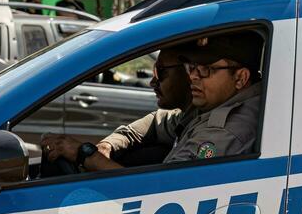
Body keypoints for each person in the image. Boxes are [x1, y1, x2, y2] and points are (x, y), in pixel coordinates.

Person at [41, 31, 262, 172]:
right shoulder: (213, 106)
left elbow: (161, 191)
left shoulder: (225, 130)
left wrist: (85, 155)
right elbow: (157, 122)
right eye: (191, 68)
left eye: (205, 70)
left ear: (240, 78)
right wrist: (107, 146)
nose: (193, 76)